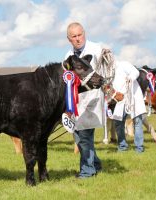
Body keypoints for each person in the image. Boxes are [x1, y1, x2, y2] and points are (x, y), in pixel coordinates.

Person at [64, 22, 103, 178]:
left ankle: (87, 172)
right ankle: (96, 164)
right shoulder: (67, 56)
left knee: (84, 137)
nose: (78, 39)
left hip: (91, 100)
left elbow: (107, 72)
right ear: (69, 39)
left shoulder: (97, 50)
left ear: (84, 33)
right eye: (74, 36)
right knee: (79, 137)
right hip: (75, 103)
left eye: (80, 35)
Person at [110, 60, 146, 153]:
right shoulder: (108, 72)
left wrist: (130, 78)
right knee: (118, 123)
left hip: (133, 97)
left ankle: (139, 148)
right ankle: (122, 146)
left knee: (137, 122)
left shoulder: (123, 64)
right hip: (120, 99)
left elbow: (136, 72)